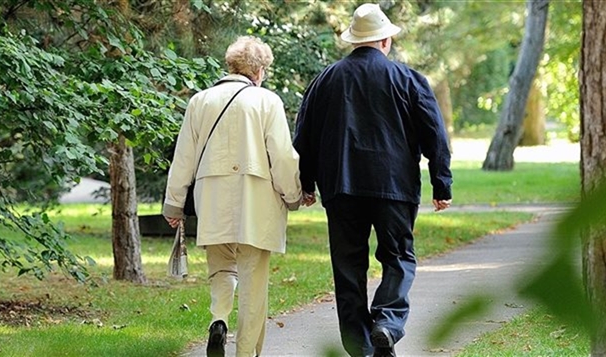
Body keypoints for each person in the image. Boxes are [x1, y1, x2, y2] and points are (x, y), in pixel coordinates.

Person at [293, 3, 453, 357]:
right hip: (394, 188)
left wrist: (306, 183)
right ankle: (388, 321)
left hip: (341, 187)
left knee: (348, 268)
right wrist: (442, 184)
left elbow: (304, 138)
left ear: (355, 41)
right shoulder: (408, 79)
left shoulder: (325, 80)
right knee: (398, 258)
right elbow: (435, 137)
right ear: (385, 41)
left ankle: (361, 347)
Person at [162, 36, 303, 357]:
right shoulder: (267, 101)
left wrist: (174, 204)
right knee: (254, 282)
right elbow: (281, 156)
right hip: (257, 202)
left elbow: (183, 157)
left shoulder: (200, 101)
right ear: (259, 70)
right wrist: (293, 195)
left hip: (212, 198)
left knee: (222, 268)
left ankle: (219, 320)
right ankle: (246, 352)